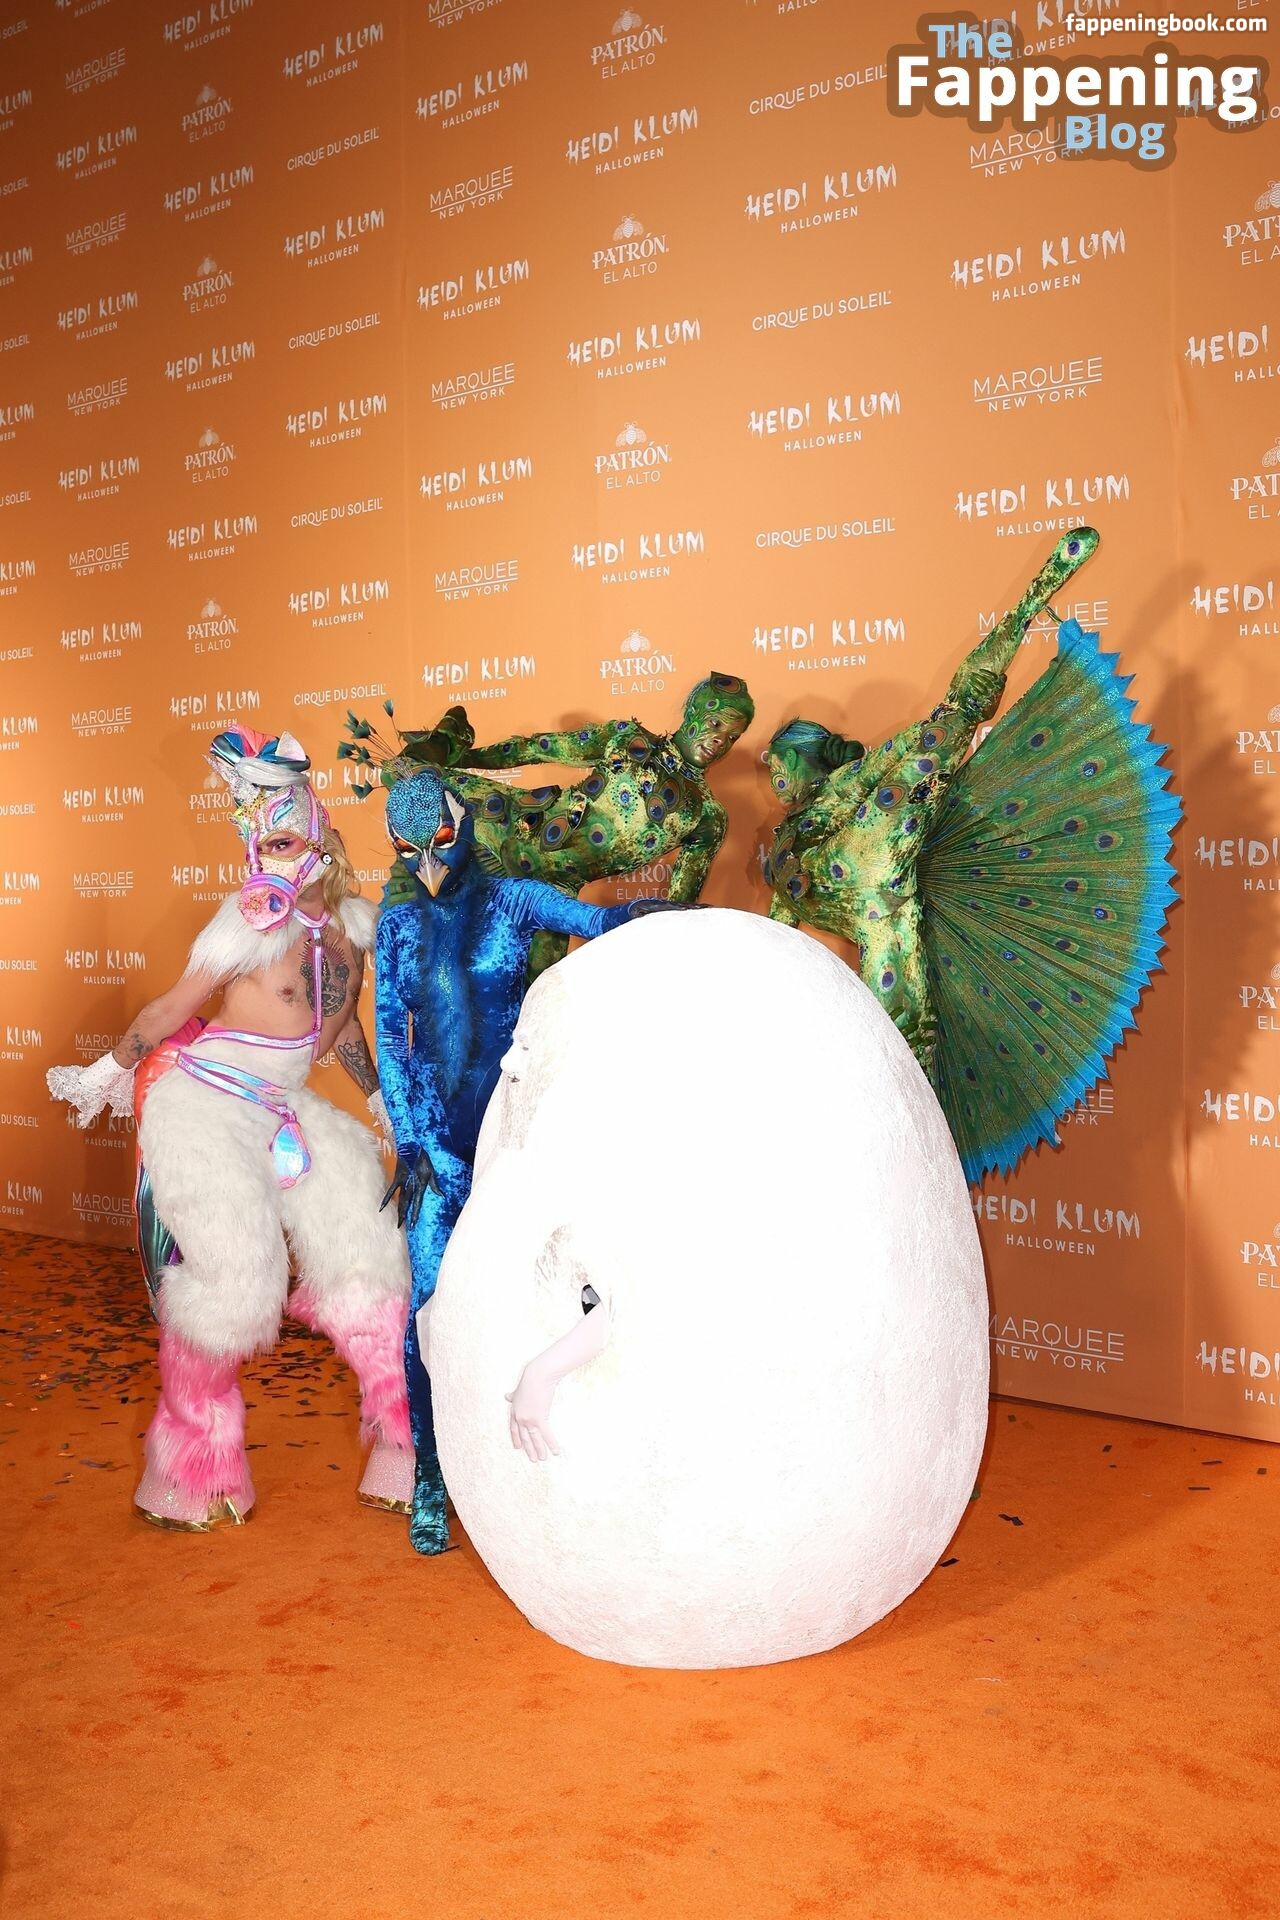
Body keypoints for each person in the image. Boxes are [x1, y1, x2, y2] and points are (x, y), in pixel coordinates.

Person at [47, 728, 413, 1529]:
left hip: (283, 1108)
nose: (265, 858)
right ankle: (189, 1473)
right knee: (233, 1283)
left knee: (370, 1249)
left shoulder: (350, 929)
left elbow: (341, 1025)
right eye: (259, 844)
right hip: (206, 1103)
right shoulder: (247, 922)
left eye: (280, 841)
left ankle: (401, 1447)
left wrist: (379, 1101)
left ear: (319, 836)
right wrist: (106, 1072)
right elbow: (171, 1009)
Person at [373, 766, 686, 1553]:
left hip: (511, 1147)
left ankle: (528, 1465)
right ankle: (431, 1479)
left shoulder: (513, 900)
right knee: (428, 1316)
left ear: (465, 826)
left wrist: (649, 919)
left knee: (539, 1297)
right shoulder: (397, 927)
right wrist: (409, 1141)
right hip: (439, 1157)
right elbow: (392, 1041)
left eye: (440, 840)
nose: (428, 863)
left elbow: (595, 921)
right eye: (408, 850)